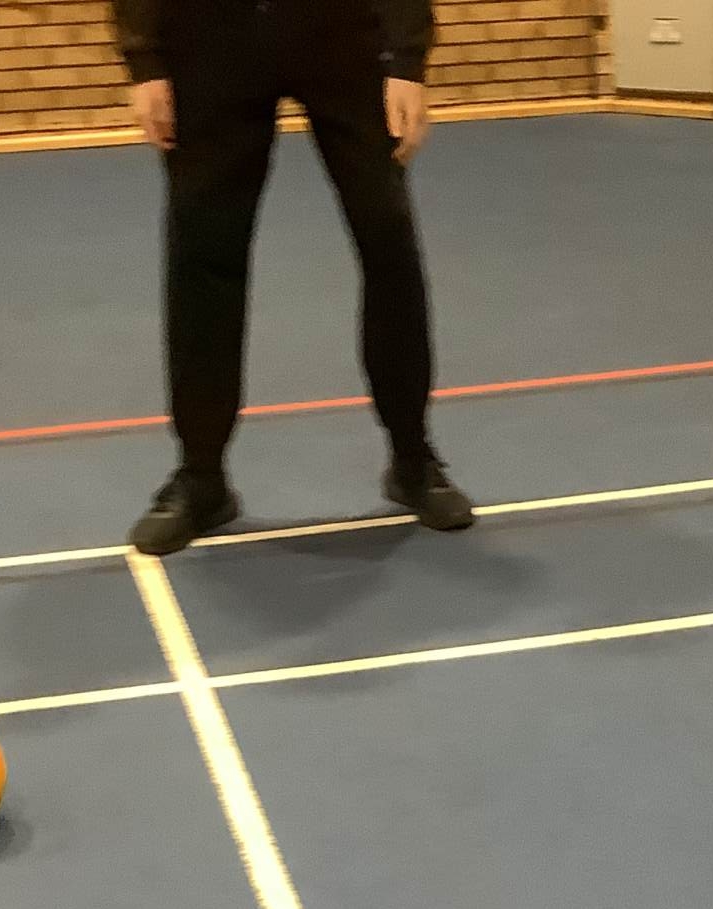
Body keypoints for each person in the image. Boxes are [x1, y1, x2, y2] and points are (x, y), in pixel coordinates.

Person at [111, 0, 474, 554]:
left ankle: (412, 459)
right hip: (208, 41)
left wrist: (405, 60)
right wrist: (145, 62)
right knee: (202, 256)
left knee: (388, 243)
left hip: (345, 34)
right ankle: (201, 477)